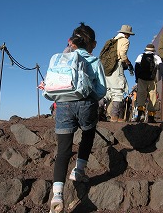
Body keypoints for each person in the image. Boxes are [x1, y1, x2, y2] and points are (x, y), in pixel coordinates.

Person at [49, 22, 107, 213]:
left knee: (63, 150)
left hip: (63, 105)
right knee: (88, 133)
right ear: (92, 43)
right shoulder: (93, 60)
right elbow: (101, 91)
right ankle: (78, 170)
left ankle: (57, 195)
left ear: (73, 41)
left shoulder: (63, 58)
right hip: (85, 104)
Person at [106, 24, 135, 122]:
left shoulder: (112, 40)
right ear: (127, 34)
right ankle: (115, 116)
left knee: (107, 91)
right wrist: (128, 63)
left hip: (106, 68)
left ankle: (98, 113)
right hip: (116, 66)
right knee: (118, 90)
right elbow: (122, 54)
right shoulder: (125, 40)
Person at [134, 43, 163, 123]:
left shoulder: (140, 56)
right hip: (152, 79)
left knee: (141, 95)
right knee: (153, 96)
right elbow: (161, 68)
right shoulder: (156, 57)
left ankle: (140, 114)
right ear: (153, 50)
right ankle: (151, 117)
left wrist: (137, 78)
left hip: (141, 79)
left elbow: (136, 67)